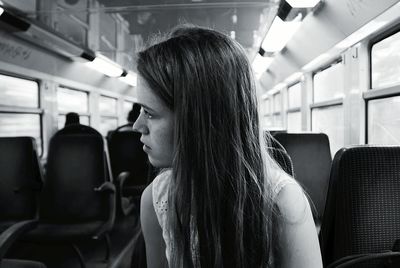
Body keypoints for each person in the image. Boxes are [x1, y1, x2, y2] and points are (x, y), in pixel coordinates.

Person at [133, 25, 322, 268]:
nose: (137, 125)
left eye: (149, 113)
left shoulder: (282, 204)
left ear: (196, 121)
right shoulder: (155, 199)